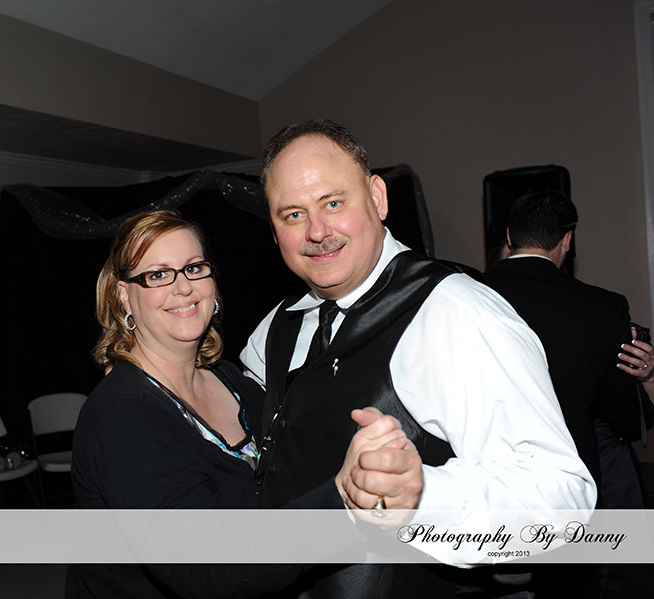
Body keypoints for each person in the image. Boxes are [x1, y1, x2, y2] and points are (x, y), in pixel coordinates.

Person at [240, 119, 597, 597]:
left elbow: (562, 498)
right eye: (292, 215)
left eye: (333, 203)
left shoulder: (459, 314)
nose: (317, 231)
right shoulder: (276, 328)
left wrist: (423, 499)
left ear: (377, 198)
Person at [66, 210, 414, 599]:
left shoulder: (229, 379)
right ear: (123, 295)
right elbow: (204, 566)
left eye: (194, 268)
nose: (183, 288)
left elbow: (289, 463)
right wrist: (343, 500)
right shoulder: (122, 415)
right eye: (158, 275)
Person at [483, 189, 654, 598]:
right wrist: (646, 378)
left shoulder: (463, 294)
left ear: (510, 236)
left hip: (487, 476)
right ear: (567, 240)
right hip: (571, 483)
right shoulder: (603, 307)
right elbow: (626, 418)